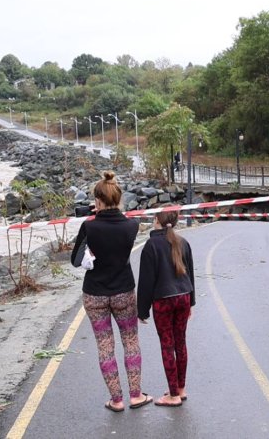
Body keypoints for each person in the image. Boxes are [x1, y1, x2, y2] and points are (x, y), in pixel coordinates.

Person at [71, 171, 152, 412]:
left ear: (97, 200)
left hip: (94, 294)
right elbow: (119, 226)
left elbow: (75, 260)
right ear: (118, 198)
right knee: (131, 340)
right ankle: (136, 395)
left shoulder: (89, 226)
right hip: (123, 291)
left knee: (105, 345)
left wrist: (93, 221)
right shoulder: (131, 226)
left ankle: (116, 400)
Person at [137, 208, 195, 407]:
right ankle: (180, 388)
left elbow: (146, 281)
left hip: (163, 300)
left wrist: (142, 310)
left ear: (156, 220)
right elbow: (190, 274)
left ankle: (173, 395)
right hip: (184, 296)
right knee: (181, 343)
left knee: (167, 345)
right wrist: (191, 302)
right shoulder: (183, 242)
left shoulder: (151, 245)